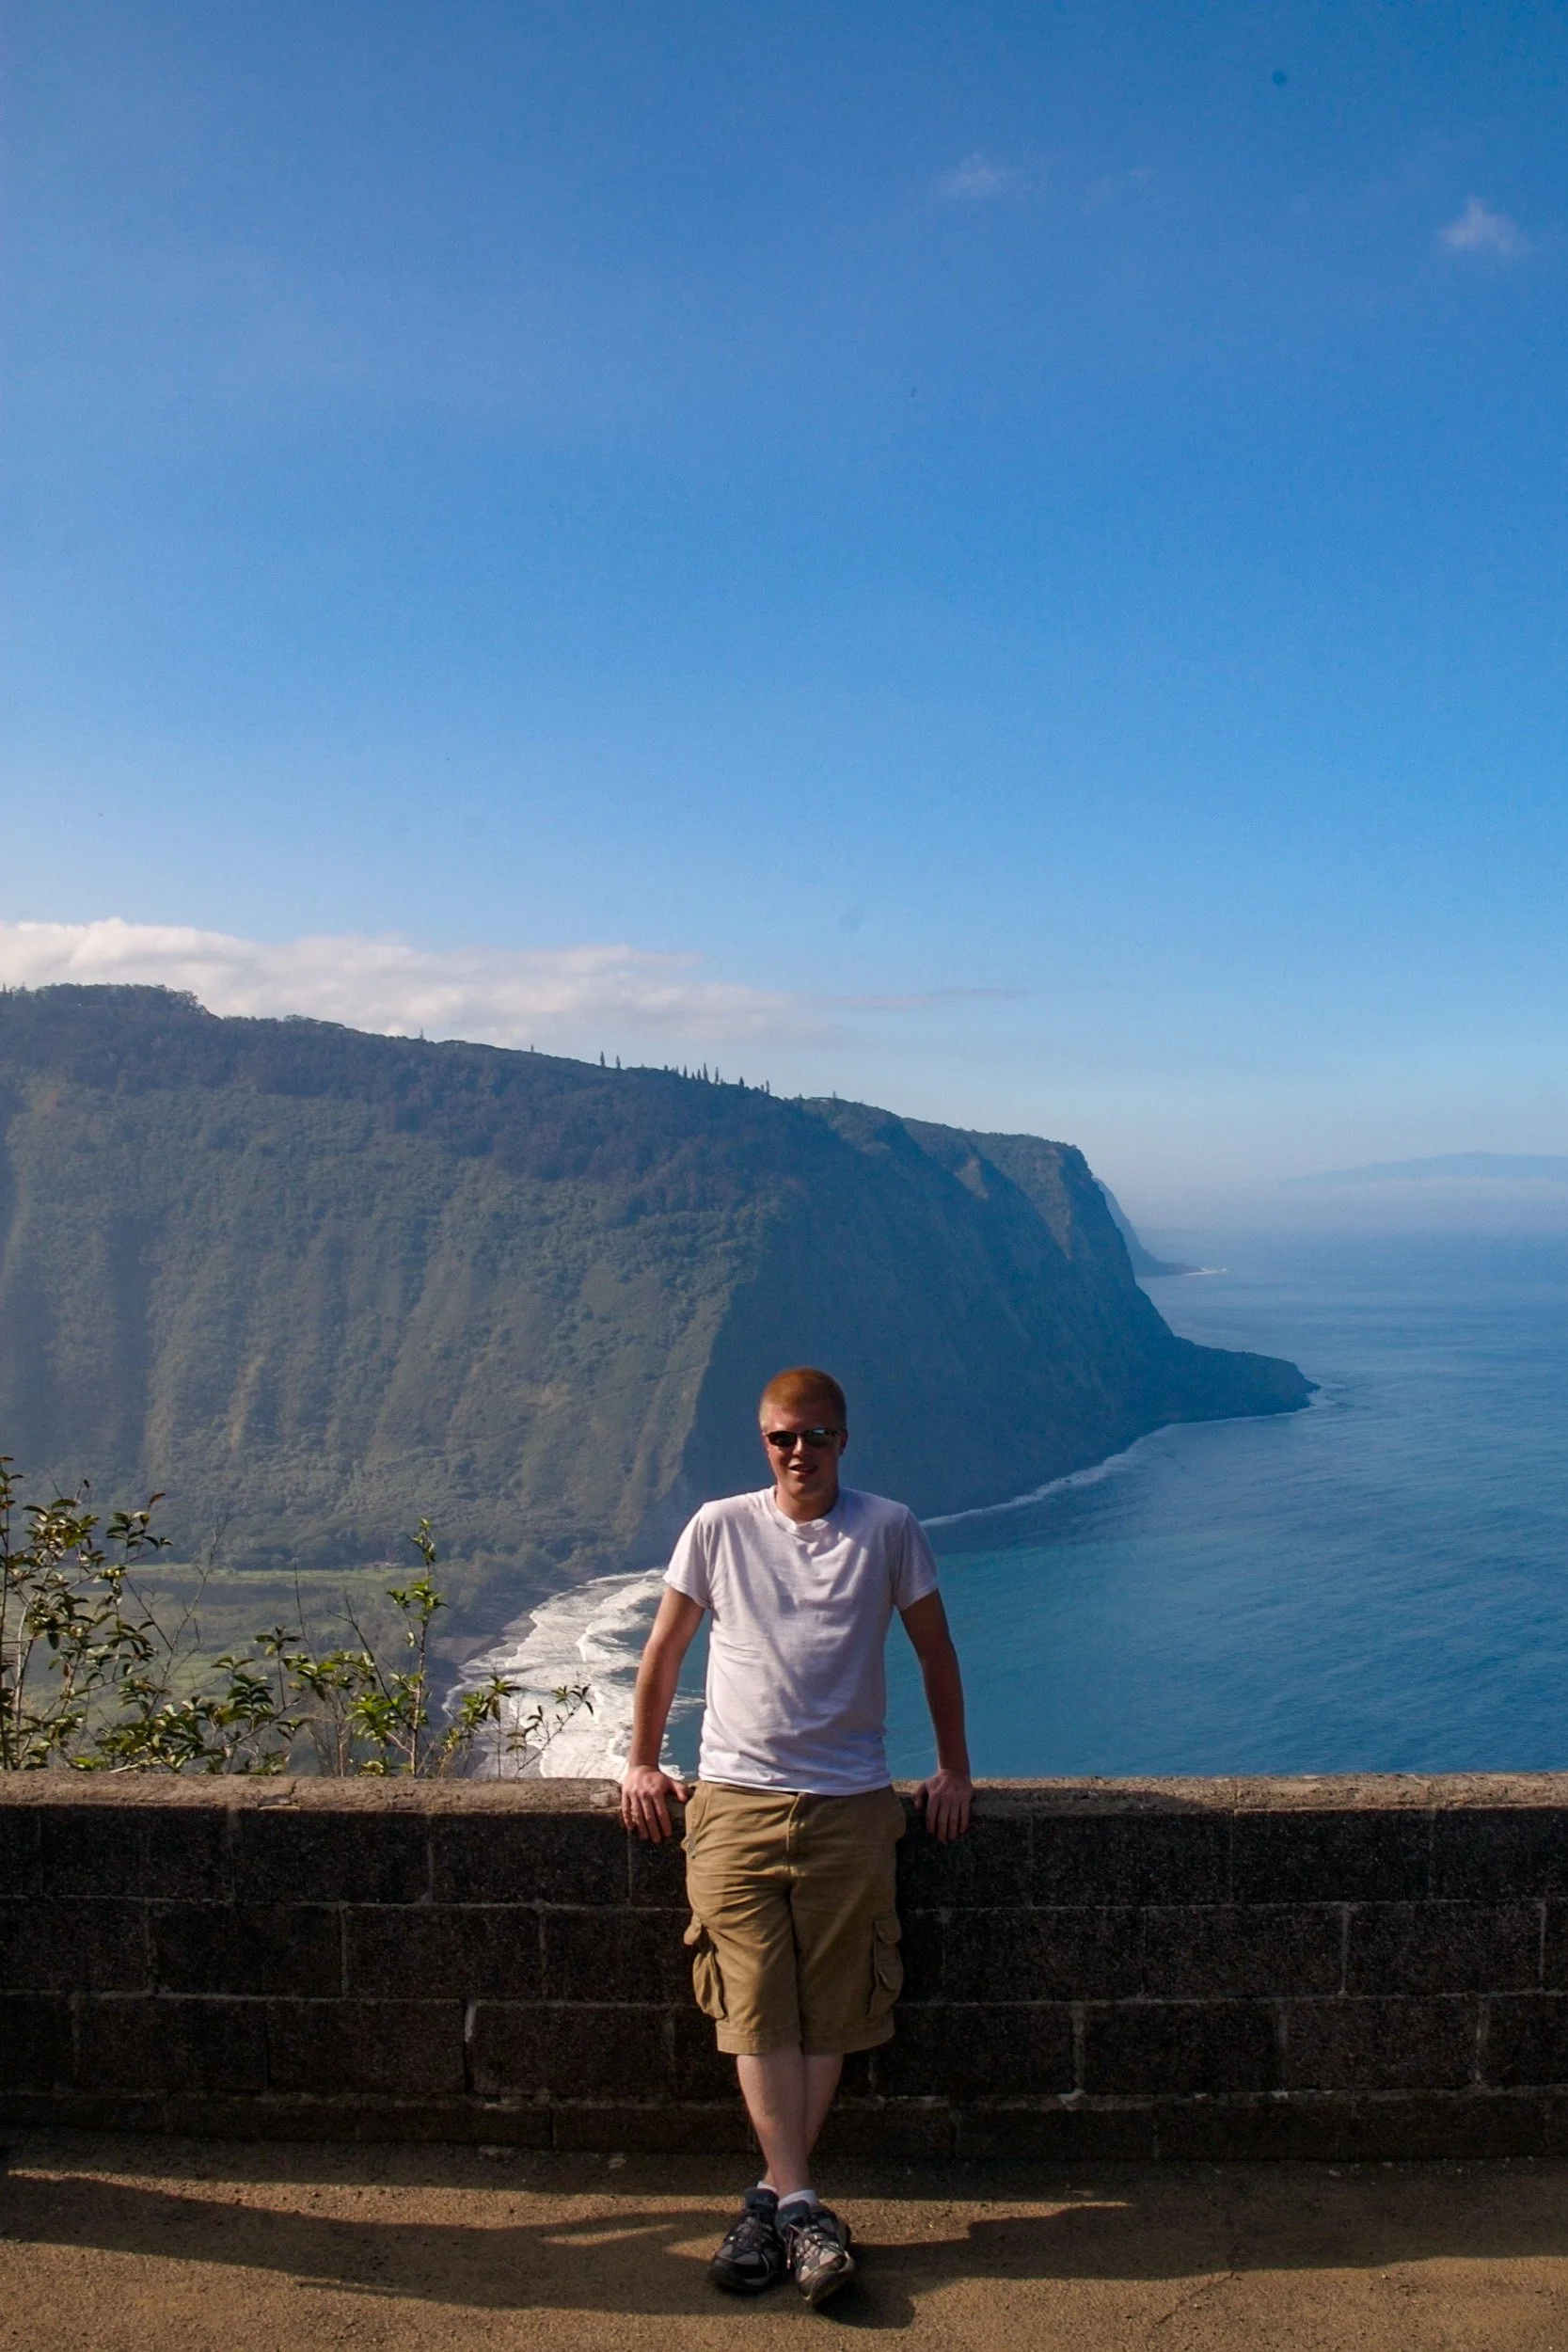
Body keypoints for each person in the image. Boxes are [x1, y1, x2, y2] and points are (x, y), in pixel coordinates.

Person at [620, 1365, 973, 2309]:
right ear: (762, 1441)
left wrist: (952, 1769)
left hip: (851, 1802)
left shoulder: (887, 1528)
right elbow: (665, 1648)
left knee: (828, 2004)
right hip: (732, 1798)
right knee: (750, 1998)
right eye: (782, 1436)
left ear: (842, 1440)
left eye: (814, 1435)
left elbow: (935, 1650)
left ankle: (772, 2204)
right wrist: (642, 1762)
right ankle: (801, 2208)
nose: (797, 1451)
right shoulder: (717, 1526)